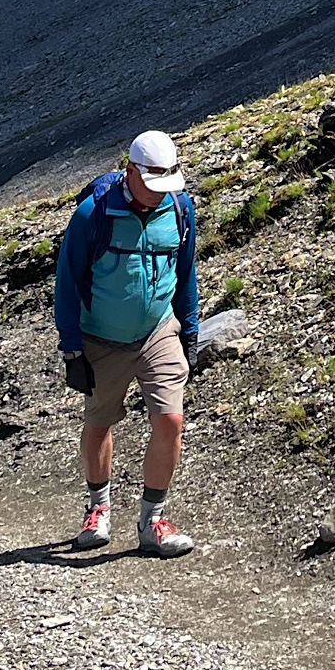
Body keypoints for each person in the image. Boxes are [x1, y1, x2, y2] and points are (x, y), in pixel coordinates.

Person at [54, 130, 201, 557]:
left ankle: (152, 520)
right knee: (100, 423)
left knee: (170, 420)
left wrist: (189, 330)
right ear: (131, 170)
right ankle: (98, 508)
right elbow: (66, 285)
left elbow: (186, 272)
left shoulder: (179, 207)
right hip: (100, 338)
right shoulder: (91, 215)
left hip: (159, 330)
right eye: (151, 184)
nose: (158, 195)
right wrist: (71, 348)